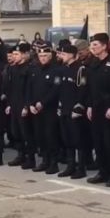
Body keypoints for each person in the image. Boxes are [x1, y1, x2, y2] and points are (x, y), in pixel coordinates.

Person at [86, 33, 110, 188]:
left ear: (104, 46)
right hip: (96, 107)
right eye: (92, 45)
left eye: (95, 45)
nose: (93, 47)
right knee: (99, 142)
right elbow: (90, 88)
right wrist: (89, 105)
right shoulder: (93, 63)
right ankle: (103, 171)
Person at [27, 46, 62, 174]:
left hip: (49, 109)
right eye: (40, 56)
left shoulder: (56, 70)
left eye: (45, 56)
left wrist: (43, 102)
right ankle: (45, 161)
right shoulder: (34, 70)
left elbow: (56, 89)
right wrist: (30, 104)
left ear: (50, 56)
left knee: (51, 136)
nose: (42, 58)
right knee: (40, 136)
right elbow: (29, 88)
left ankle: (53, 163)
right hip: (36, 110)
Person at [57, 44, 89, 178]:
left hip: (75, 110)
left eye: (64, 54)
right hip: (64, 109)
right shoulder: (63, 69)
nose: (62, 56)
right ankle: (70, 166)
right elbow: (60, 88)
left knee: (78, 140)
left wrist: (79, 106)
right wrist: (59, 105)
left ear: (72, 55)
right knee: (67, 139)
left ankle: (81, 168)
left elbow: (83, 88)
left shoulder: (81, 69)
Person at [4, 43, 32, 168]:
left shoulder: (29, 69)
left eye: (17, 54)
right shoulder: (13, 69)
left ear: (24, 55)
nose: (14, 56)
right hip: (14, 104)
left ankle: (30, 158)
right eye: (13, 54)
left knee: (26, 133)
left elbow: (29, 89)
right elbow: (10, 89)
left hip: (23, 105)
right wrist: (9, 104)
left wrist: (26, 106)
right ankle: (21, 155)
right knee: (16, 132)